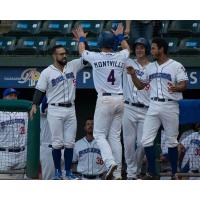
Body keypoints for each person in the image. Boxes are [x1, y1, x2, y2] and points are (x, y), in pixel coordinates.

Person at [73, 23, 130, 179]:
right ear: (113, 44)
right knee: (114, 137)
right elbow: (128, 49)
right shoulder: (121, 55)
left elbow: (82, 51)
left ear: (100, 44)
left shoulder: (96, 56)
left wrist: (82, 38)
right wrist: (120, 36)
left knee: (99, 135)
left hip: (105, 99)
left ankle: (110, 162)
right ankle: (117, 174)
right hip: (120, 99)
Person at [127, 38, 188, 179]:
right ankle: (152, 172)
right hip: (153, 105)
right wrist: (133, 75)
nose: (151, 50)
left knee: (172, 140)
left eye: (154, 48)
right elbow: (140, 86)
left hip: (170, 105)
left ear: (162, 49)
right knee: (146, 140)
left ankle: (174, 172)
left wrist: (176, 87)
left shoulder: (176, 65)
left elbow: (184, 84)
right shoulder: (150, 67)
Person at [30, 45, 87, 180]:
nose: (64, 56)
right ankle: (57, 172)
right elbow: (40, 90)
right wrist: (34, 104)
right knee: (57, 142)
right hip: (55, 109)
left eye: (65, 53)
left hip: (71, 108)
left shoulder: (72, 65)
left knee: (69, 143)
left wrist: (82, 42)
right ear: (54, 56)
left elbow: (86, 58)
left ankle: (67, 172)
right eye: (61, 54)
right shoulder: (47, 72)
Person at [122, 37, 151, 180]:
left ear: (147, 49)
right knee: (128, 143)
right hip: (128, 107)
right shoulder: (128, 62)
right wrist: (121, 37)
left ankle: (137, 169)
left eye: (142, 47)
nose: (139, 50)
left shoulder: (152, 68)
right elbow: (125, 49)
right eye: (137, 47)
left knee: (142, 142)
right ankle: (131, 173)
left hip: (145, 109)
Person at [0, 88, 28, 179]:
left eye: (15, 96)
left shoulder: (24, 112)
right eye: (10, 95)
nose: (13, 98)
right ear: (4, 98)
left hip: (21, 154)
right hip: (4, 154)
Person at [39, 96, 64, 180]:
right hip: (48, 149)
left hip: (62, 148)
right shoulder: (43, 107)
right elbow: (43, 106)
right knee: (48, 178)